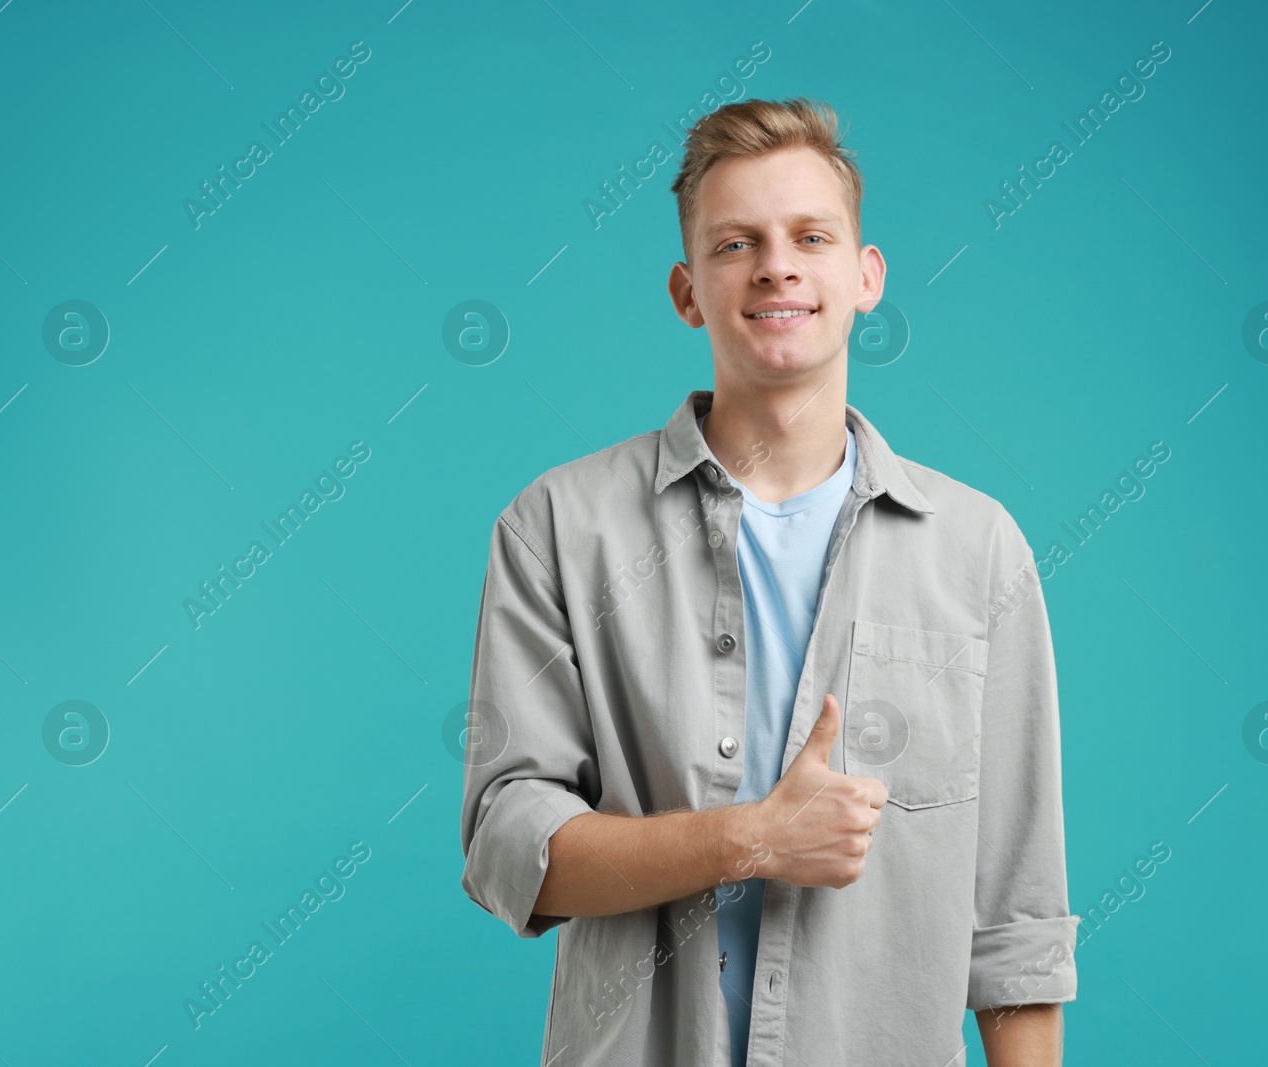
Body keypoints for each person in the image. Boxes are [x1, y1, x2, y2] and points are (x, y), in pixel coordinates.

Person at [460, 96, 1076, 1066]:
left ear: (865, 276)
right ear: (687, 290)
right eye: (736, 242)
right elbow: (507, 848)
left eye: (809, 236)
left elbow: (1016, 923)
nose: (776, 265)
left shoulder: (978, 548)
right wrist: (748, 838)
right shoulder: (557, 526)